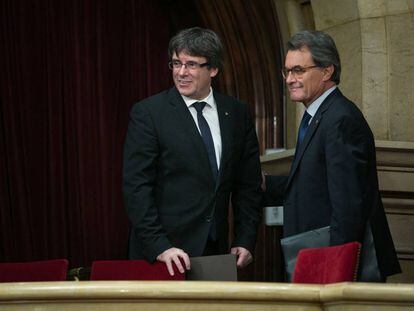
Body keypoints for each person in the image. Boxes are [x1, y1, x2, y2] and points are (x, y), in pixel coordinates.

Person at [123, 27, 262, 276]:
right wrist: (161, 246)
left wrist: (245, 238)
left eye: (191, 65)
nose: (181, 73)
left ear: (213, 69)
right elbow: (136, 187)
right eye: (176, 63)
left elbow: (248, 185)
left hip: (216, 253)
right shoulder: (149, 113)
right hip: (163, 256)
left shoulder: (237, 113)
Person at [264, 30, 401, 281]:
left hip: (333, 267)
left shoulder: (341, 119)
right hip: (315, 259)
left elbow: (348, 205)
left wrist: (336, 273)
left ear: (327, 71)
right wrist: (263, 184)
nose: (289, 79)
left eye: (298, 71)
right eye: (287, 71)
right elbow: (313, 184)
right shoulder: (319, 116)